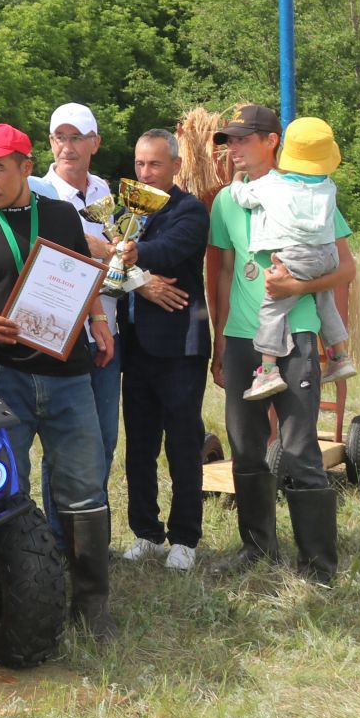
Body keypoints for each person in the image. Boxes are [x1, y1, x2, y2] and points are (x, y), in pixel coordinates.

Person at [0, 123, 118, 640]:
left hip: (68, 375)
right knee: (7, 492)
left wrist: (99, 322)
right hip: (1, 377)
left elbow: (79, 277)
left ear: (25, 165)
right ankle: (13, 597)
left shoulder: (62, 215)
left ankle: (92, 606)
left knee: (84, 489)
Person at [209, 104, 356, 585]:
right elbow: (226, 272)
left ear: (273, 140)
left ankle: (318, 565)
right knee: (246, 448)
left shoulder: (314, 195)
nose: (232, 149)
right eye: (227, 141)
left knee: (297, 449)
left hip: (295, 339)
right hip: (241, 341)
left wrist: (298, 290)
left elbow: (345, 270)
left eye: (242, 139)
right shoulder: (227, 201)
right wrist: (220, 343)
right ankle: (257, 550)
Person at [113, 129, 211, 572]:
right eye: (139, 164)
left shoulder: (190, 210)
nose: (145, 173)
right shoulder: (126, 210)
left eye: (154, 164)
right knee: (140, 445)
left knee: (183, 444)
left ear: (175, 166)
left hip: (180, 348)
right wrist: (126, 262)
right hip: (135, 347)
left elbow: (170, 251)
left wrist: (131, 253)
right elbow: (108, 269)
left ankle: (185, 538)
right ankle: (147, 533)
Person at [231, 116, 356, 397]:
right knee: (325, 302)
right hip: (327, 256)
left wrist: (237, 179)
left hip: (296, 256)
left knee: (273, 310)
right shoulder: (327, 186)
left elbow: (243, 198)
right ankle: (339, 356)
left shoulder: (272, 185)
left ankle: (268, 371)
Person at [40, 103, 122, 527]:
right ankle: (59, 535)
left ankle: (92, 532)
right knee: (63, 442)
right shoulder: (39, 192)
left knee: (104, 438)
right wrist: (98, 249)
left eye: (76, 138)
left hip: (107, 327)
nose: (66, 147)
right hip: (61, 331)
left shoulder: (104, 191)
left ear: (95, 143)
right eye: (59, 138)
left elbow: (116, 253)